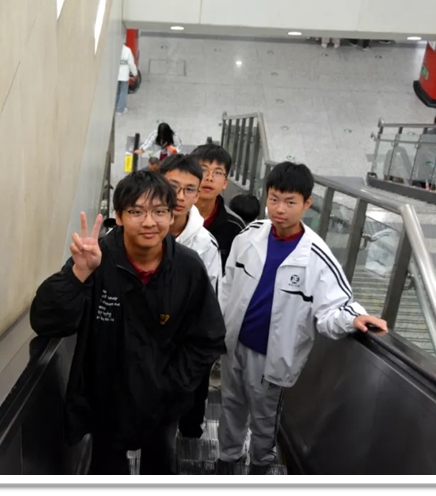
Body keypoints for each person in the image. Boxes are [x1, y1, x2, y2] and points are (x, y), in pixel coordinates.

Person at [29, 170, 226, 475]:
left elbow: (208, 336)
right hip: (106, 402)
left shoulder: (188, 268)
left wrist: (172, 385)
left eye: (159, 211)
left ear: (171, 215)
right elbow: (47, 321)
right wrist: (78, 275)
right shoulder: (97, 259)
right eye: (136, 212)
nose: (149, 222)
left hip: (163, 404)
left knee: (160, 469)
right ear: (119, 217)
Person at [215, 161, 388, 475]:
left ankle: (260, 467)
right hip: (234, 345)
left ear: (307, 203)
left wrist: (354, 318)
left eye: (290, 202)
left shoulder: (316, 255)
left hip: (272, 356)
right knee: (230, 406)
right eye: (274, 199)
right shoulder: (249, 236)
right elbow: (228, 286)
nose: (280, 209)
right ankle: (227, 459)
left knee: (265, 418)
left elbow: (334, 305)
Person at [158, 154, 223, 440]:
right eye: (173, 187)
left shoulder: (205, 244)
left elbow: (209, 306)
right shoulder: (141, 230)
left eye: (189, 190)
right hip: (144, 346)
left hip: (184, 347)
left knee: (186, 410)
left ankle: (190, 435)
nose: (180, 197)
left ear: (198, 194)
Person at [189, 144, 246, 273]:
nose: (209, 178)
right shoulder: (173, 217)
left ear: (225, 183)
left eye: (218, 173)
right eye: (203, 170)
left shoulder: (235, 226)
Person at [412, 114, 436, 190]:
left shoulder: (428, 133)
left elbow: (422, 146)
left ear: (434, 122)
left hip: (425, 159)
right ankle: (431, 192)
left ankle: (422, 191)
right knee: (432, 178)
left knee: (422, 177)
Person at [117, 44, 138, 114]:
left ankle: (116, 106)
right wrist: (134, 73)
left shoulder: (114, 49)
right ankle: (120, 109)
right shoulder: (127, 50)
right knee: (123, 92)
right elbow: (131, 64)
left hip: (116, 75)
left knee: (117, 92)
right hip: (124, 75)